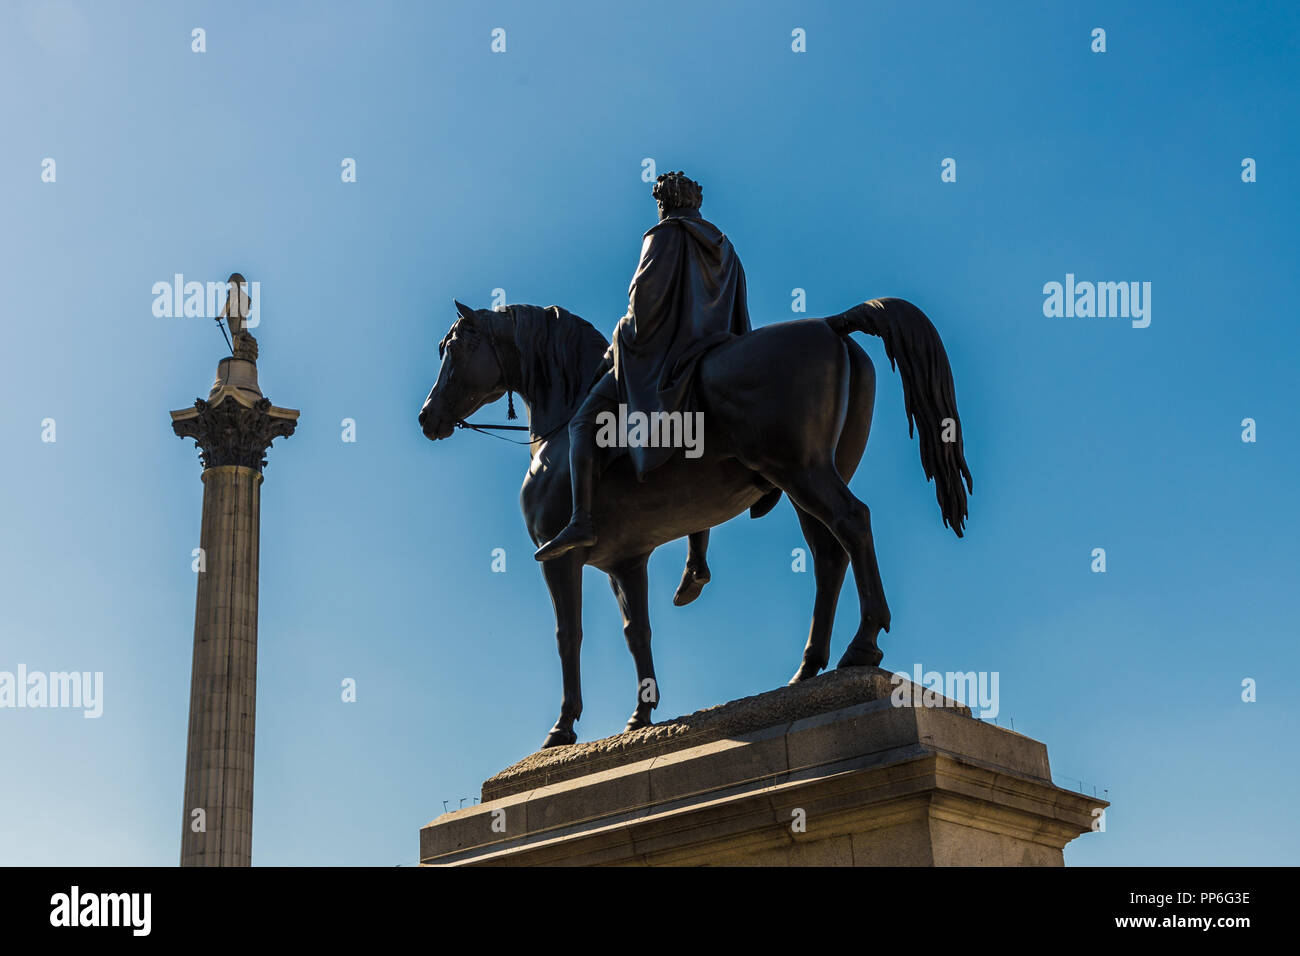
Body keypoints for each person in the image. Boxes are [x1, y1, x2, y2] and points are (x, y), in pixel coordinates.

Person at [534, 171, 754, 572]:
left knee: (583, 423)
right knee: (694, 441)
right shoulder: (725, 248)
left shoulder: (665, 236)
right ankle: (698, 558)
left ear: (666, 202)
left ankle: (581, 520)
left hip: (665, 358)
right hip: (712, 352)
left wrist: (614, 346)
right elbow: (738, 309)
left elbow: (643, 307)